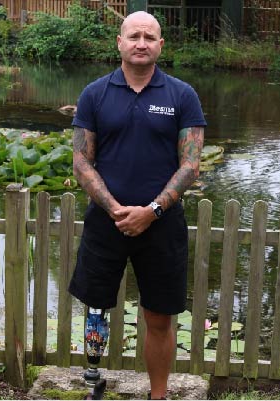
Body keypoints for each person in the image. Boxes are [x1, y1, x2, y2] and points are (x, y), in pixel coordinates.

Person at [68, 10, 206, 400]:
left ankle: (158, 395)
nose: (141, 43)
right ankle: (93, 382)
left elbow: (191, 164)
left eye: (149, 37)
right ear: (119, 43)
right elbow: (81, 161)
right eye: (134, 36)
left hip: (161, 226)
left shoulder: (182, 95)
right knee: (96, 307)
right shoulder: (94, 94)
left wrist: (152, 211)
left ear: (161, 45)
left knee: (160, 318)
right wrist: (115, 210)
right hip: (105, 223)